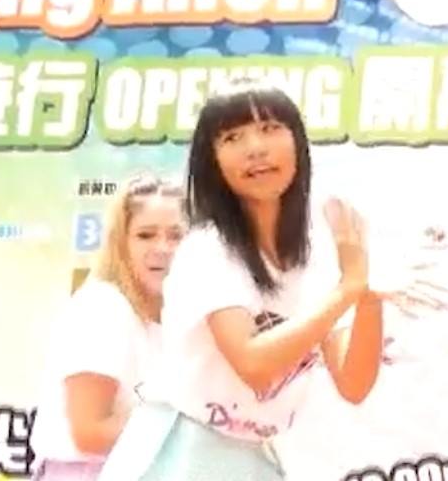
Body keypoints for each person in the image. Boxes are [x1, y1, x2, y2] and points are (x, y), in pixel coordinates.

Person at [97, 80, 385, 481]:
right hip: (182, 447)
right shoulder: (208, 249)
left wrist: (370, 297)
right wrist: (347, 290)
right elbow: (254, 363)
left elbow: (353, 383)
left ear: (297, 142)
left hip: (250, 455)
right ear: (212, 160)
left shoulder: (317, 255)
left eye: (270, 128)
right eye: (232, 137)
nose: (255, 148)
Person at [29, 175, 185, 480]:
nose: (163, 247)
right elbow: (90, 433)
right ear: (120, 243)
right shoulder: (103, 308)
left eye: (176, 235)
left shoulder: (175, 319)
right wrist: (192, 428)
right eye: (146, 235)